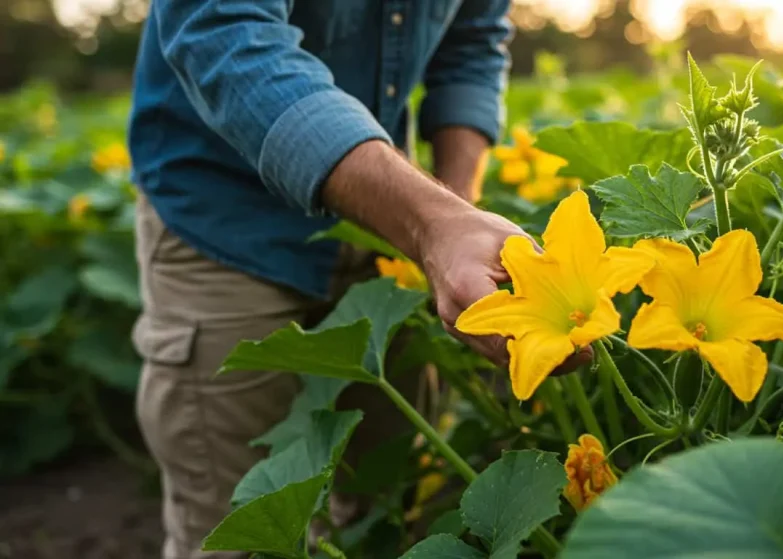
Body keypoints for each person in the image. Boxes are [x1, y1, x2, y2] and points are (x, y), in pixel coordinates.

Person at [125, 1, 576, 557]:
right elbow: (225, 33)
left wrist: (450, 216)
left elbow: (471, 43)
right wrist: (431, 222)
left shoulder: (420, 218)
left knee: (390, 503)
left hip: (385, 217)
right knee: (241, 535)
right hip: (223, 220)